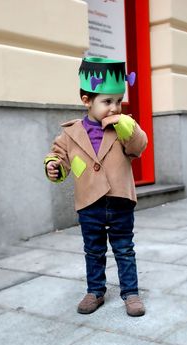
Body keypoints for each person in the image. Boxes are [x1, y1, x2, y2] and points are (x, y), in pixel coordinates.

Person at [44, 57, 148, 317]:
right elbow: (59, 156)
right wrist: (54, 165)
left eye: (118, 101)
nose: (114, 108)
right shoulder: (71, 133)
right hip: (89, 203)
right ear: (86, 100)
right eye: (107, 101)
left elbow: (139, 147)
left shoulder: (124, 127)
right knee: (93, 249)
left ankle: (131, 292)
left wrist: (128, 127)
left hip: (120, 200)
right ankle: (95, 291)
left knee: (124, 248)